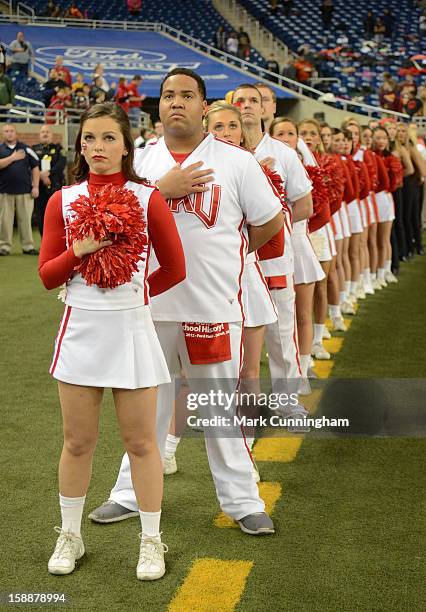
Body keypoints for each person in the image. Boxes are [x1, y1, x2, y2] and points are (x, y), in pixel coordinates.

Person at [89, 69, 283, 535]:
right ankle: (129, 494)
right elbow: (108, 220)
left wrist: (231, 254)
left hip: (213, 305)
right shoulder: (137, 160)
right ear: (158, 105)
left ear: (203, 105)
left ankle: (241, 500)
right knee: (145, 409)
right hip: (147, 305)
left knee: (219, 407)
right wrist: (162, 190)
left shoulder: (235, 161)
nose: (177, 102)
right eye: (168, 95)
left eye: (187, 95)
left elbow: (270, 221)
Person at [39, 102, 186, 579]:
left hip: (131, 329)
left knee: (142, 443)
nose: (97, 148)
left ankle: (150, 540)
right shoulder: (63, 199)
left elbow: (175, 268)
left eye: (107, 138)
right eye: (89, 139)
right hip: (80, 328)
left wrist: (136, 297)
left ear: (127, 145)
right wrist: (79, 252)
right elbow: (46, 276)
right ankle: (70, 535)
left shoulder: (148, 199)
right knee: (77, 442)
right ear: (80, 146)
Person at [233, 83, 313, 406]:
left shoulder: (283, 153)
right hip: (235, 260)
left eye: (257, 100)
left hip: (275, 257)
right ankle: (235, 400)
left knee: (281, 332)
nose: (249, 105)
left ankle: (286, 399)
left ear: (269, 108)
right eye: (242, 100)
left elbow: (304, 204)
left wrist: (271, 227)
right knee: (235, 332)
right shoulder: (223, 150)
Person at [0, 123, 39, 256]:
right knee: (4, 221)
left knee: (26, 220)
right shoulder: (0, 149)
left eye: (11, 131)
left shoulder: (26, 148)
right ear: (3, 134)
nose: (9, 133)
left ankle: (28, 246)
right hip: (5, 192)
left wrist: (36, 186)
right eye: (6, 131)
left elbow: (35, 167)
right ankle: (4, 246)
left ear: (16, 133)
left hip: (25, 192)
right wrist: (12, 158)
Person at [32, 125, 67, 236]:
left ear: (51, 135)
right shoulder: (33, 149)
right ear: (39, 135)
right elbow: (31, 165)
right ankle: (44, 242)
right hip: (40, 189)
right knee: (40, 215)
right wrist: (41, 175)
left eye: (47, 132)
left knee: (56, 216)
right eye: (43, 132)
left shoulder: (59, 149)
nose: (45, 134)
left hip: (55, 187)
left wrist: (48, 173)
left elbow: (61, 164)